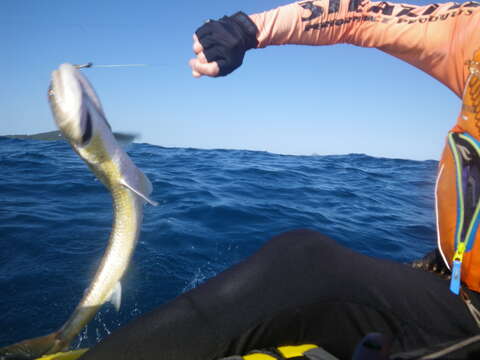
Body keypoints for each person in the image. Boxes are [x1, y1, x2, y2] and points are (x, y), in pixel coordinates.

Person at [81, 1, 480, 359]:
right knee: (303, 257)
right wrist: (247, 29)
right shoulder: (471, 32)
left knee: (305, 261)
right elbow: (361, 16)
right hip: (450, 285)